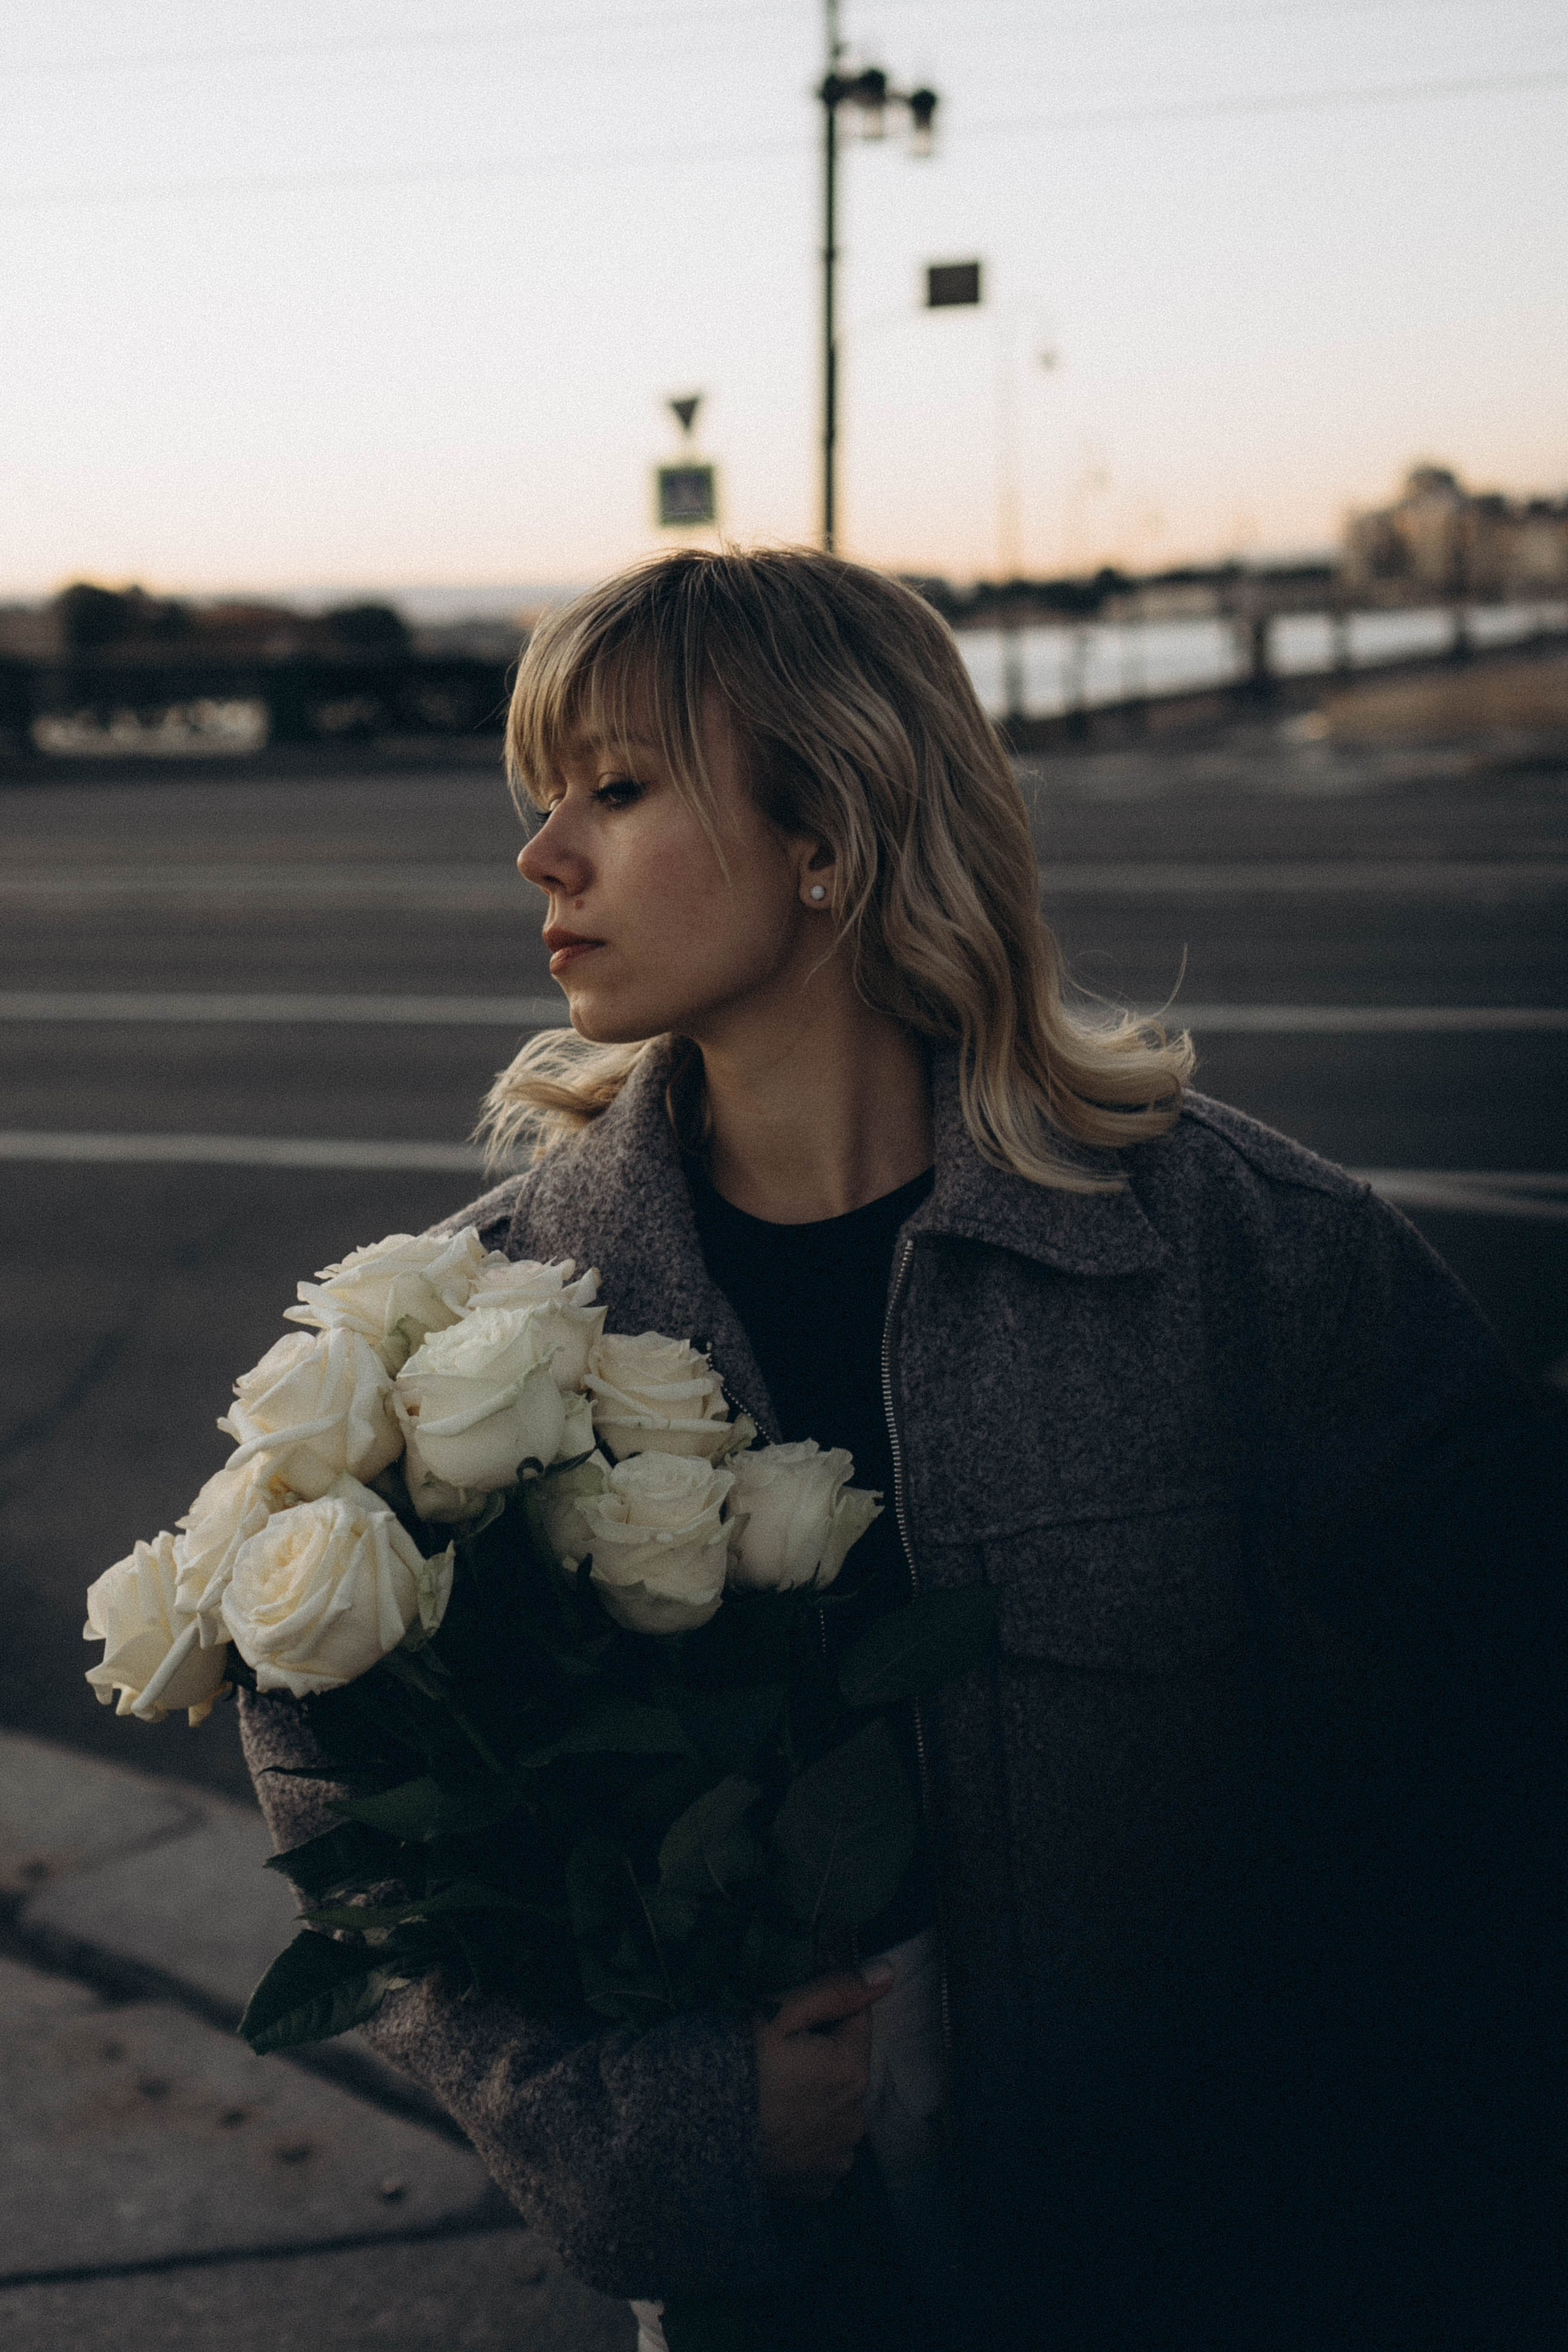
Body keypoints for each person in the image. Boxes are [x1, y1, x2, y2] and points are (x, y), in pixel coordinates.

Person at [241, 548, 1561, 2351]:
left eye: (618, 791)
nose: (544, 855)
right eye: (545, 798)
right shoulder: (485, 1321)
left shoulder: (1232, 1249)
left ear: (830, 839)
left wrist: (1373, 2112)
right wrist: (640, 2129)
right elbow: (327, 1780)